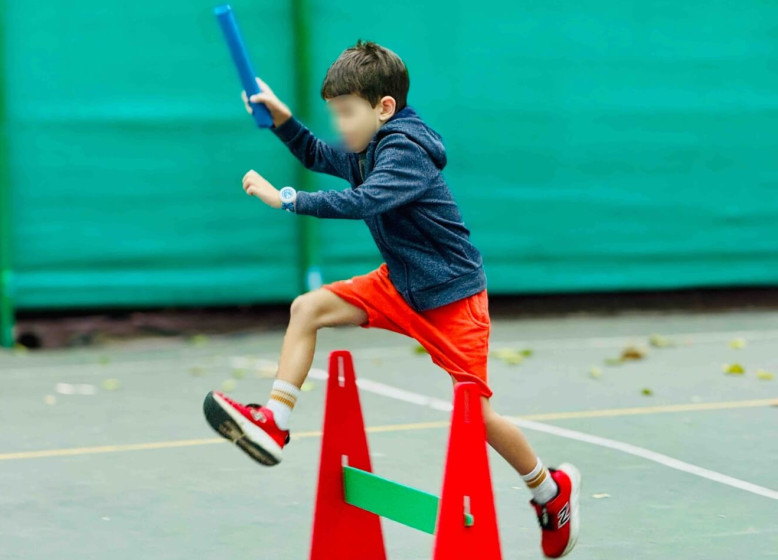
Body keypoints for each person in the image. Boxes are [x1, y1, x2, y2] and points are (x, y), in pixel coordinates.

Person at [204, 40, 580, 558]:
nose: (339, 125)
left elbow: (365, 200)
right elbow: (320, 155)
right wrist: (285, 120)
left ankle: (548, 489)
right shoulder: (369, 143)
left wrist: (285, 198)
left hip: (451, 299)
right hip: (399, 285)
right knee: (306, 308)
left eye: (347, 113)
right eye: (333, 112)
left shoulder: (405, 150)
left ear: (384, 108)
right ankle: (275, 422)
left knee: (478, 418)